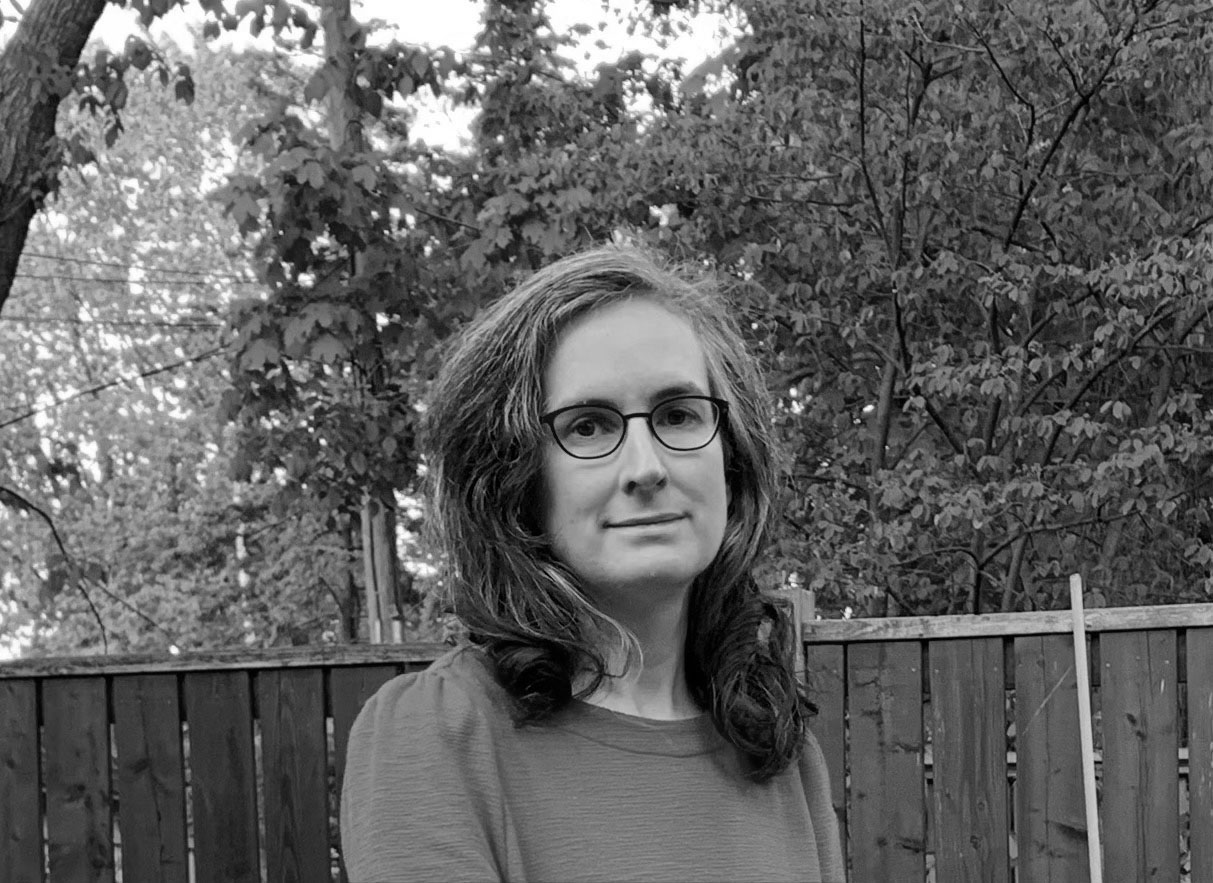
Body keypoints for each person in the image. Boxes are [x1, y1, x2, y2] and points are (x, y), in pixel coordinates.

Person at [339, 244, 844, 883]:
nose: (647, 467)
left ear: (732, 458)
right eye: (589, 426)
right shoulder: (437, 733)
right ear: (514, 479)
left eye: (679, 415)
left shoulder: (777, 750)